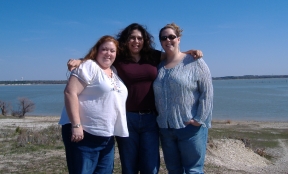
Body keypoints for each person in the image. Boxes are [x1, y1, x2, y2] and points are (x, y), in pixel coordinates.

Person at [67, 23, 203, 174]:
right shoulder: (119, 57)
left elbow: (174, 55)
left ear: (144, 40)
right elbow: (100, 58)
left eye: (139, 38)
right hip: (127, 118)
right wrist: (80, 61)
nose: (136, 41)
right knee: (129, 165)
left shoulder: (153, 55)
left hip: (150, 119)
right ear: (126, 40)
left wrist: (189, 53)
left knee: (150, 166)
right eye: (132, 38)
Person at [59, 35, 128, 174]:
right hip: (84, 135)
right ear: (97, 51)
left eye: (112, 51)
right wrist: (76, 125)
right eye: (104, 49)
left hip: (106, 136)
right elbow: (70, 93)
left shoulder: (114, 72)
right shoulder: (89, 66)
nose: (108, 53)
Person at [153, 23, 213, 174]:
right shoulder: (159, 65)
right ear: (160, 41)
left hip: (189, 127)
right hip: (166, 129)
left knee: (193, 170)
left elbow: (207, 93)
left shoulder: (194, 61)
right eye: (164, 38)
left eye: (172, 37)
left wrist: (199, 119)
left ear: (178, 39)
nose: (168, 40)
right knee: (173, 170)